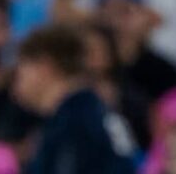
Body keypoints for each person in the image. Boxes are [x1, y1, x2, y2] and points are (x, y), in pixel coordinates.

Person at [13, 24, 137, 174]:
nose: (16, 82)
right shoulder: (93, 111)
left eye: (21, 71)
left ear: (44, 67)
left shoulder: (74, 123)